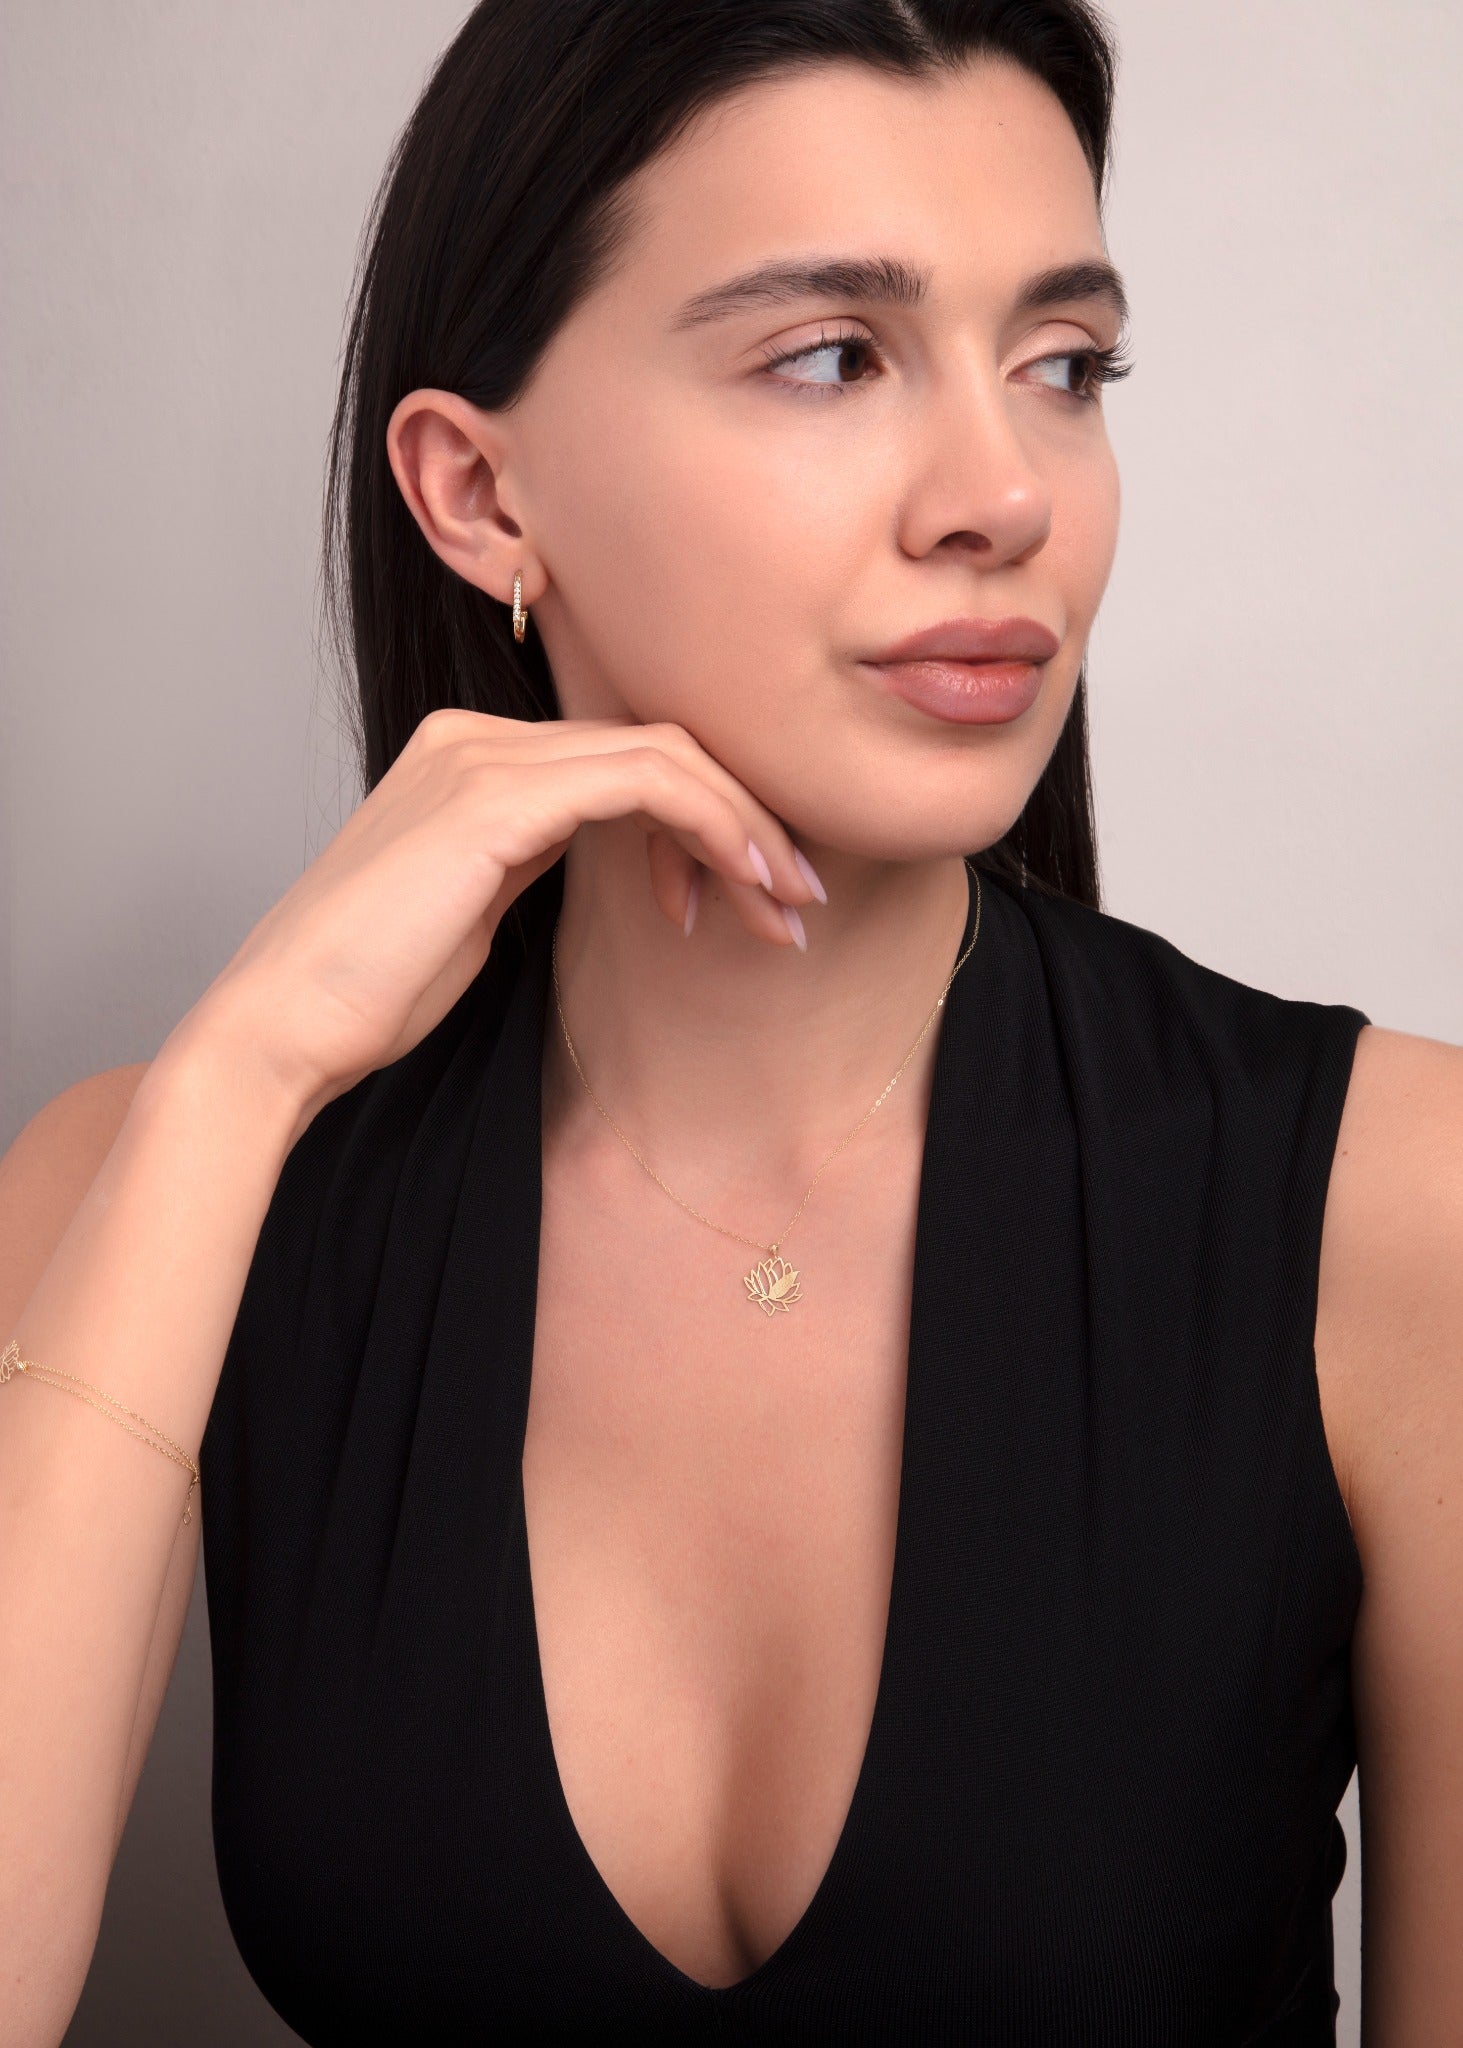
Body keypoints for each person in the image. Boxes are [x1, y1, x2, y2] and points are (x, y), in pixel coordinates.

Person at [1, 2, 1459, 2043]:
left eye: (1065, 367)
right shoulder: (155, 1184)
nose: (1002, 494)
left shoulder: (1404, 1215)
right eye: (833, 357)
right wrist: (242, 1071)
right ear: (481, 497)